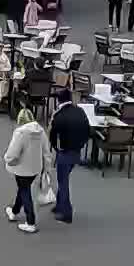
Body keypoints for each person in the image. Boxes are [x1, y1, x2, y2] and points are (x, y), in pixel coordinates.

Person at [47, 90, 91, 224]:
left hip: (64, 152)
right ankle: (59, 205)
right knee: (63, 178)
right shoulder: (80, 111)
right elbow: (87, 129)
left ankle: (66, 212)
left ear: (59, 101)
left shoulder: (59, 116)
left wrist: (55, 148)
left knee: (63, 182)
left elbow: (52, 135)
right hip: (76, 151)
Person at [2, 108, 45, 234]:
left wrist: (7, 159)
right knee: (23, 188)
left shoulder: (20, 133)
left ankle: (30, 221)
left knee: (25, 191)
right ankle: (14, 211)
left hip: (22, 167)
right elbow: (46, 149)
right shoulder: (40, 131)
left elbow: (13, 152)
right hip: (35, 167)